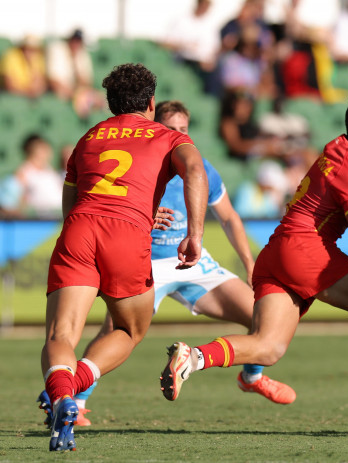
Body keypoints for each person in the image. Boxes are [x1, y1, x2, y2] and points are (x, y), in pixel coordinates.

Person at [158, 93, 348, 436]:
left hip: (277, 251)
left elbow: (346, 205)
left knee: (268, 347)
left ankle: (193, 357)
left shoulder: (338, 147)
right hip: (305, 250)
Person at [40, 100, 295, 428]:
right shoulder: (145, 159)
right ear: (153, 127)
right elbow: (111, 211)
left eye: (184, 129)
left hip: (193, 263)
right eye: (171, 128)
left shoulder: (200, 167)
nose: (178, 135)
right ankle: (75, 400)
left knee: (262, 317)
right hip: (147, 263)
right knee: (116, 331)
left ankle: (251, 376)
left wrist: (250, 264)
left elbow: (230, 217)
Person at [39, 63, 208, 452]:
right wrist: (194, 234)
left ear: (112, 104)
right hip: (127, 235)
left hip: (80, 227)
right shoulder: (167, 136)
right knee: (129, 330)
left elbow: (72, 193)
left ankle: (62, 393)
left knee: (60, 334)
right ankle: (71, 388)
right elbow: (195, 170)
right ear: (152, 102)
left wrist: (78, 235)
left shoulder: (90, 135)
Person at [45, 29, 105, 118]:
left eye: (79, 41)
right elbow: (53, 81)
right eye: (75, 40)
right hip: (62, 90)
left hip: (77, 92)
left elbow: (86, 81)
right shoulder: (57, 49)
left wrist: (75, 64)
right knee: (83, 100)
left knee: (101, 99)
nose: (76, 44)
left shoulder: (82, 53)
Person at [13, 134, 63, 218]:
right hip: (38, 218)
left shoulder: (50, 170)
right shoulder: (24, 171)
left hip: (58, 216)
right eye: (42, 150)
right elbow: (18, 198)